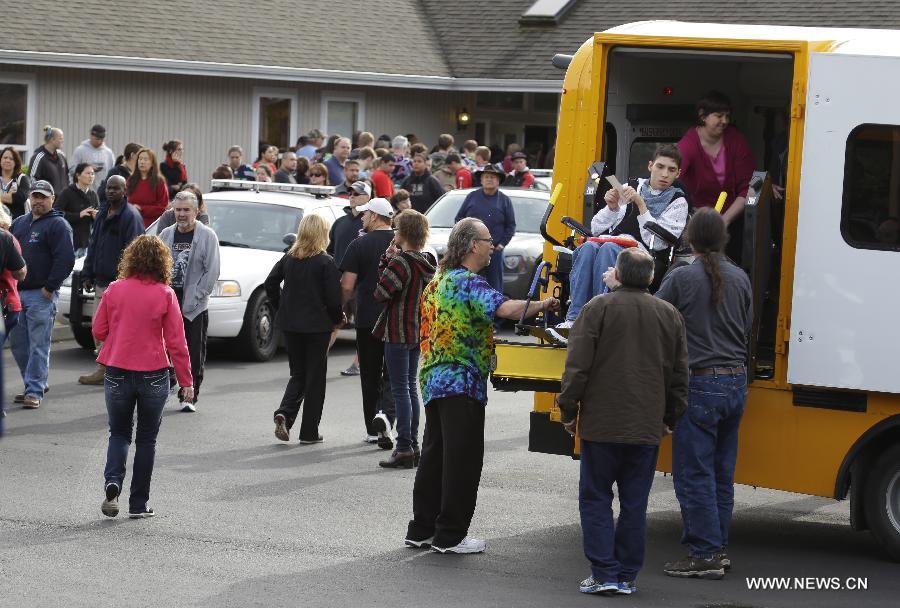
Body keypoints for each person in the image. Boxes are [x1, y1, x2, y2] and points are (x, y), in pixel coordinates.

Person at [405, 217, 559, 554]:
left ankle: (421, 529)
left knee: (435, 458)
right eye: (489, 240)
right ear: (473, 245)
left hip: (432, 380)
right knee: (463, 461)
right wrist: (544, 304)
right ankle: (451, 537)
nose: (494, 245)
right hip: (462, 382)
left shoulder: (437, 282)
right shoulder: (470, 283)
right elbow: (507, 308)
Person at [557, 247, 689, 596]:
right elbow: (679, 375)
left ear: (616, 273)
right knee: (635, 503)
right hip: (646, 425)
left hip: (601, 423)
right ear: (651, 278)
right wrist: (670, 417)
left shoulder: (597, 308)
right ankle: (627, 574)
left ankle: (604, 573)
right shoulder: (669, 314)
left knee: (597, 498)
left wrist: (568, 411)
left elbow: (577, 367)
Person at [654, 208, 752, 580]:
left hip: (701, 382)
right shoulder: (740, 278)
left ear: (690, 239)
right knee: (720, 473)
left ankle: (704, 554)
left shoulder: (682, 278)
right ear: (723, 238)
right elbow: (746, 330)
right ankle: (718, 546)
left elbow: (656, 317)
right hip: (735, 382)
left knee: (694, 473)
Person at [95, 235, 193, 519]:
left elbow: (99, 331)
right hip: (153, 372)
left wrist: (120, 332)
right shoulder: (165, 294)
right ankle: (138, 504)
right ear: (163, 263)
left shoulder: (114, 290)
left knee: (119, 433)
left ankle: (112, 482)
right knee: (147, 440)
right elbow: (177, 342)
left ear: (131, 259)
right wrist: (187, 381)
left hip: (117, 369)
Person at [554, 144, 689, 330]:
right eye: (660, 167)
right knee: (587, 247)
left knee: (608, 249)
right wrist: (611, 207)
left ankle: (598, 318)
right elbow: (596, 227)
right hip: (615, 242)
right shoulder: (629, 187)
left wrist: (641, 205)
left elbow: (658, 243)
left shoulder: (678, 201)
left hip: (646, 253)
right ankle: (574, 318)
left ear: (678, 174)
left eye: (671, 170)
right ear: (650, 166)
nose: (665, 174)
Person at [265, 214, 342, 444]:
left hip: (290, 324)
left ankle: (285, 414)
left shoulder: (289, 258)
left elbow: (270, 283)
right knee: (315, 379)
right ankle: (309, 432)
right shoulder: (325, 261)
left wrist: (281, 306)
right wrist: (337, 319)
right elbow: (333, 299)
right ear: (322, 234)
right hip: (317, 327)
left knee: (298, 374)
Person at [372, 210, 436, 468]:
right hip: (416, 331)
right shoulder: (425, 261)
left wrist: (388, 260)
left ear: (405, 233)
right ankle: (414, 447)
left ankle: (404, 447)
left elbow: (381, 292)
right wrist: (388, 258)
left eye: (397, 229)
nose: (394, 233)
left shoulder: (402, 263)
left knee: (401, 391)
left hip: (397, 332)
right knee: (410, 390)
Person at [9, 180, 75, 409]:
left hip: (41, 295)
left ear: (52, 199)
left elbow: (65, 260)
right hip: (16, 295)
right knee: (18, 345)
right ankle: (33, 383)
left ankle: (34, 390)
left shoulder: (59, 225)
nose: (38, 200)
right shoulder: (19, 223)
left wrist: (50, 287)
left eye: (43, 197)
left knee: (38, 345)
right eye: (35, 196)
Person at [339, 197, 397, 447]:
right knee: (394, 373)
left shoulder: (358, 244)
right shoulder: (401, 243)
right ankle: (386, 417)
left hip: (367, 319)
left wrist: (340, 309)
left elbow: (347, 285)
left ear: (374, 216)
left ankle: (372, 429)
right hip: (396, 318)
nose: (361, 218)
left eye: (364, 214)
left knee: (370, 374)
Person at [77, 175, 145, 386]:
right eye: (109, 188)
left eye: (116, 188)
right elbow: (93, 245)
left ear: (125, 191)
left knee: (120, 330)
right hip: (101, 282)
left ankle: (117, 371)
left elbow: (133, 254)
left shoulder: (130, 216)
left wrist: (126, 283)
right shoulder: (102, 213)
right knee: (100, 328)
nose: (111, 191)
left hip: (121, 285)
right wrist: (88, 273)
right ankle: (104, 367)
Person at [159, 191, 220, 412]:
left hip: (194, 306)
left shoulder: (207, 236)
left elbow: (212, 271)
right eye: (178, 210)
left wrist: (196, 297)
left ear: (196, 211)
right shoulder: (165, 234)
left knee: (193, 351)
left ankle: (189, 396)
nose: (182, 214)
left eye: (186, 210)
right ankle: (167, 385)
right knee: (163, 348)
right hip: (167, 302)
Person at [677, 91, 755, 263]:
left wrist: (724, 220)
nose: (725, 121)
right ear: (702, 116)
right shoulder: (688, 144)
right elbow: (674, 180)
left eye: (727, 116)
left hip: (731, 217)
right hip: (696, 219)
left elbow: (747, 187)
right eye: (719, 116)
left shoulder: (736, 141)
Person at [453, 165, 515, 294]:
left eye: (492, 177)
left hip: (494, 252)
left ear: (498, 180)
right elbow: (459, 219)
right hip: (471, 250)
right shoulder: (472, 196)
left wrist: (502, 244)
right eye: (486, 177)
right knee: (467, 285)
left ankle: (495, 313)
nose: (489, 179)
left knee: (494, 287)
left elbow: (511, 226)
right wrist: (465, 242)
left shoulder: (504, 200)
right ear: (481, 180)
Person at [54, 163, 99, 256]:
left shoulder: (93, 195)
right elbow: (56, 213)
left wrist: (96, 217)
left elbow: (98, 221)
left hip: (86, 242)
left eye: (93, 173)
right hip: (69, 241)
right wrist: (78, 215)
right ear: (78, 175)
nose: (91, 176)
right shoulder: (67, 192)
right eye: (88, 173)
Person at [0, 205, 27, 344]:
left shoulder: (5, 238)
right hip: (10, 302)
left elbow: (20, 272)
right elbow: (21, 272)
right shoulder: (8, 237)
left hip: (6, 303)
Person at [127, 148, 169, 228]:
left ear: (152, 163)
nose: (142, 162)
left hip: (152, 226)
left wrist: (141, 209)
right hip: (132, 223)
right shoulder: (130, 180)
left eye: (146, 159)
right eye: (140, 159)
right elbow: (124, 200)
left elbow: (163, 207)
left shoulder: (159, 182)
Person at [69, 124, 115, 192]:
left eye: (101, 139)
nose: (99, 142)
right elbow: (72, 169)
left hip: (102, 193)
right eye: (97, 139)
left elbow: (112, 173)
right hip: (82, 192)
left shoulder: (108, 153)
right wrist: (88, 169)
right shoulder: (80, 150)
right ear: (91, 136)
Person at [28, 126, 69, 196]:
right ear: (52, 139)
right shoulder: (38, 157)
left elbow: (67, 176)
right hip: (46, 201)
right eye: (61, 138)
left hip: (63, 201)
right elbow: (32, 179)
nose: (63, 141)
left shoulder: (62, 155)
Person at [0, 147, 32, 218]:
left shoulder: (22, 178)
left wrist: (2, 196)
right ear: (0, 160)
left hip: (17, 223)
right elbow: (15, 198)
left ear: (16, 162)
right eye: (5, 158)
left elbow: (21, 197)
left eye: (11, 159)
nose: (7, 160)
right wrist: (8, 195)